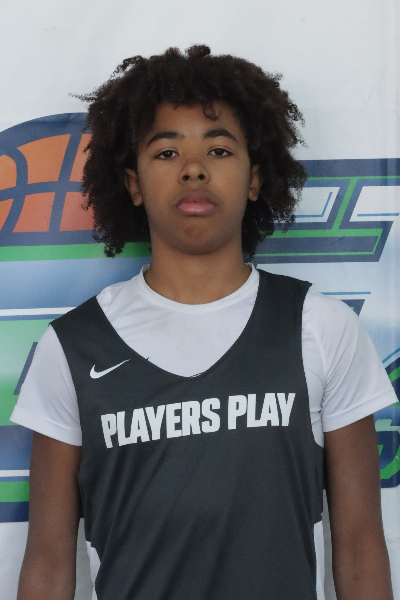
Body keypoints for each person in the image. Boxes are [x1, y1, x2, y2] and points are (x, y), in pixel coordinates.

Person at [12, 45, 395, 600]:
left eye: (218, 149)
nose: (193, 168)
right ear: (133, 183)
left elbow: (359, 550)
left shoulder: (319, 327)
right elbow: (48, 568)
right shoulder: (73, 347)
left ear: (255, 178)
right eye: (167, 152)